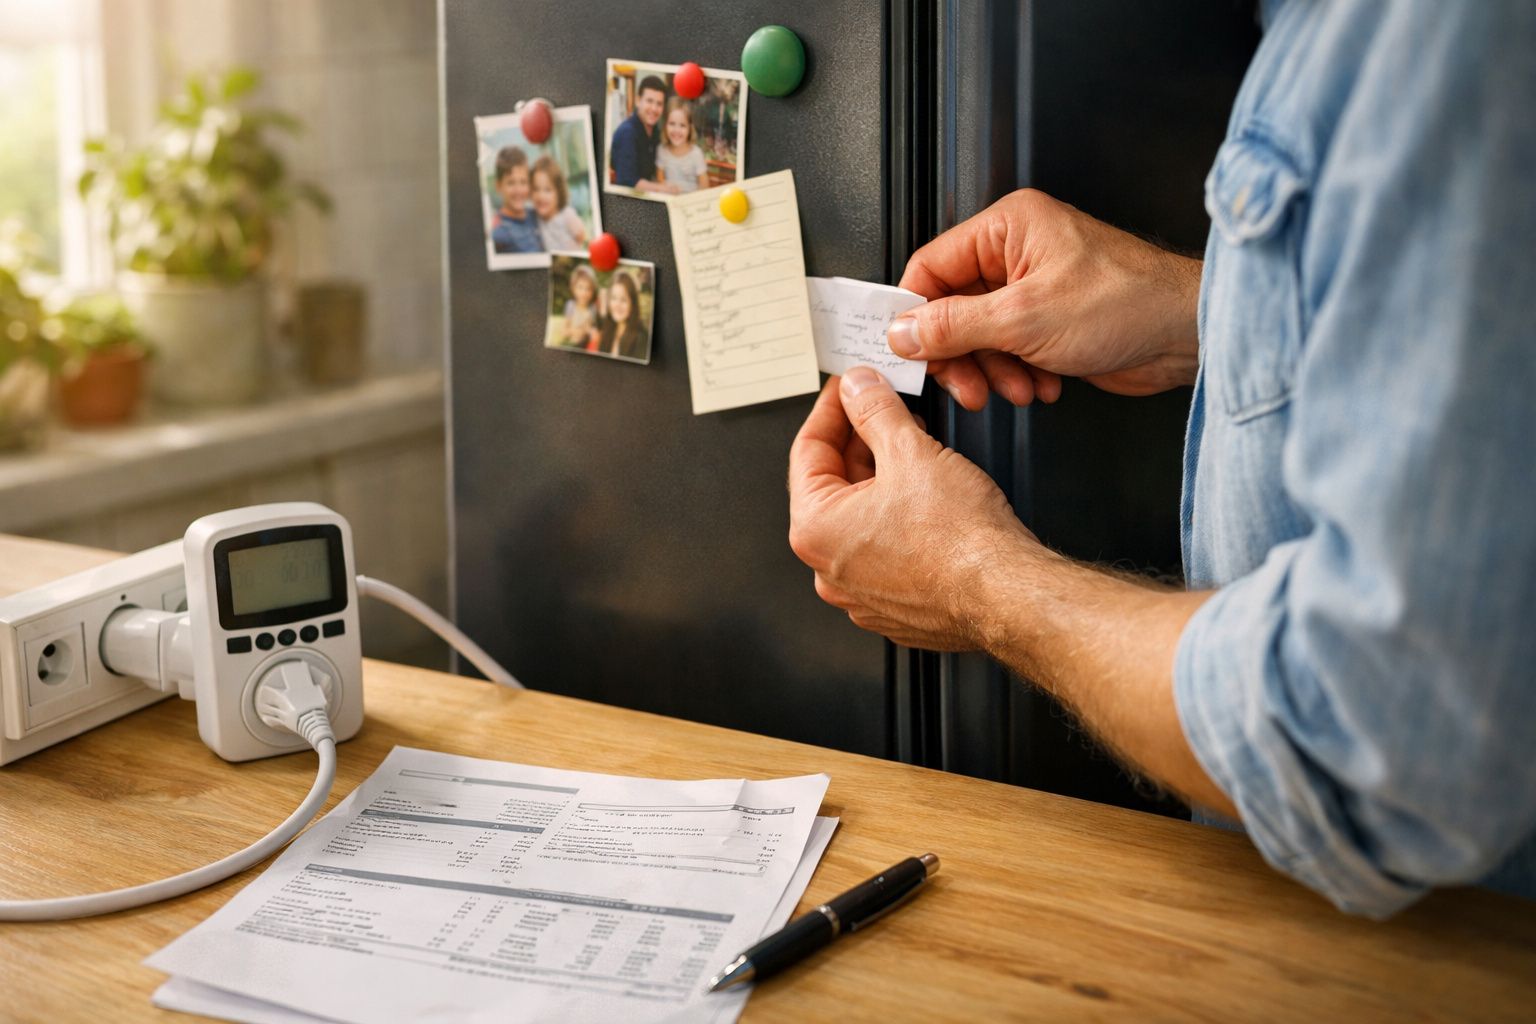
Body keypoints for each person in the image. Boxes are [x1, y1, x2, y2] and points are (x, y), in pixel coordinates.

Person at [786, 2, 1536, 919]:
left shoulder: (1441, 30)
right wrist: (1199, 313)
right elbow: (1472, 353)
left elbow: (1375, 736)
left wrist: (975, 579)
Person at [609, 75, 668, 195]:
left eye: (659, 104)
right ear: (638, 100)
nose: (654, 108)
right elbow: (627, 182)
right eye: (649, 101)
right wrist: (664, 189)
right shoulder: (627, 132)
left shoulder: (655, 131)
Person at [489, 146, 542, 255]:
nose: (518, 190)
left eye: (523, 182)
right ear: (498, 186)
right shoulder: (499, 233)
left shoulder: (536, 215)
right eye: (511, 183)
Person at [531, 155, 588, 252]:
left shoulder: (566, 215)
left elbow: (581, 237)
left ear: (559, 192)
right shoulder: (536, 219)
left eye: (547, 190)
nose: (541, 196)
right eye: (536, 189)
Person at [654, 97, 710, 195]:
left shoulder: (696, 154)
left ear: (690, 128)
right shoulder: (662, 150)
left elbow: (704, 186)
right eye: (672, 124)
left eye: (682, 125)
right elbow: (660, 180)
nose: (677, 130)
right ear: (665, 125)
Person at [596, 271, 648, 361]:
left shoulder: (641, 338)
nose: (617, 305)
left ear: (632, 304)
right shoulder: (608, 328)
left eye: (623, 300)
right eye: (613, 298)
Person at [559, 264, 601, 350]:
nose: (584, 293)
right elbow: (563, 332)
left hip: (585, 345)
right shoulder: (570, 305)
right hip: (571, 344)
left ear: (593, 291)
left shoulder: (592, 308)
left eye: (588, 289)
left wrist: (591, 331)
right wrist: (573, 331)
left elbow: (589, 328)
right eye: (580, 287)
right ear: (573, 288)